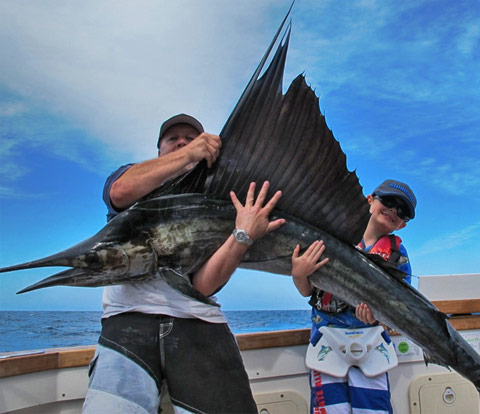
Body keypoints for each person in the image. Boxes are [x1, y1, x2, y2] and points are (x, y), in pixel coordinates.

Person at [83, 113, 285, 414]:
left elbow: (203, 285)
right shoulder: (132, 177)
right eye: (172, 139)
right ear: (159, 151)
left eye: (190, 138)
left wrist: (242, 235)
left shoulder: (219, 200)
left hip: (198, 321)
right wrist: (189, 153)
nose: (181, 142)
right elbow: (119, 192)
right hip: (128, 321)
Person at [291, 179, 416, 414]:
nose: (393, 210)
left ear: (402, 225)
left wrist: (377, 319)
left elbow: (401, 307)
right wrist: (298, 274)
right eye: (388, 201)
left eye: (402, 211)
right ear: (370, 199)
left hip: (372, 344)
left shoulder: (398, 255)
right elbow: (308, 290)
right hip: (326, 340)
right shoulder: (334, 234)